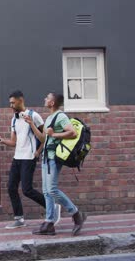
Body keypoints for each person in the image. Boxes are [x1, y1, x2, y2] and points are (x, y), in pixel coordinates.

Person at [0, 90, 61, 229]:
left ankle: (53, 207)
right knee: (11, 187)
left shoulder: (34, 116)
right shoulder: (14, 119)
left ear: (20, 100)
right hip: (17, 157)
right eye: (10, 103)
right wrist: (2, 141)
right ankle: (19, 219)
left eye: (13, 102)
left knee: (27, 190)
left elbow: (45, 136)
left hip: (29, 158)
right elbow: (14, 142)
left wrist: (38, 151)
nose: (11, 105)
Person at [30, 92, 87, 236]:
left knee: (53, 190)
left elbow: (72, 133)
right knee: (47, 192)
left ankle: (76, 214)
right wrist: (31, 124)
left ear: (52, 103)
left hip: (54, 158)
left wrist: (54, 134)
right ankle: (49, 223)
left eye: (47, 98)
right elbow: (44, 138)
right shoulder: (49, 118)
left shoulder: (60, 116)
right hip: (45, 158)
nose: (45, 99)